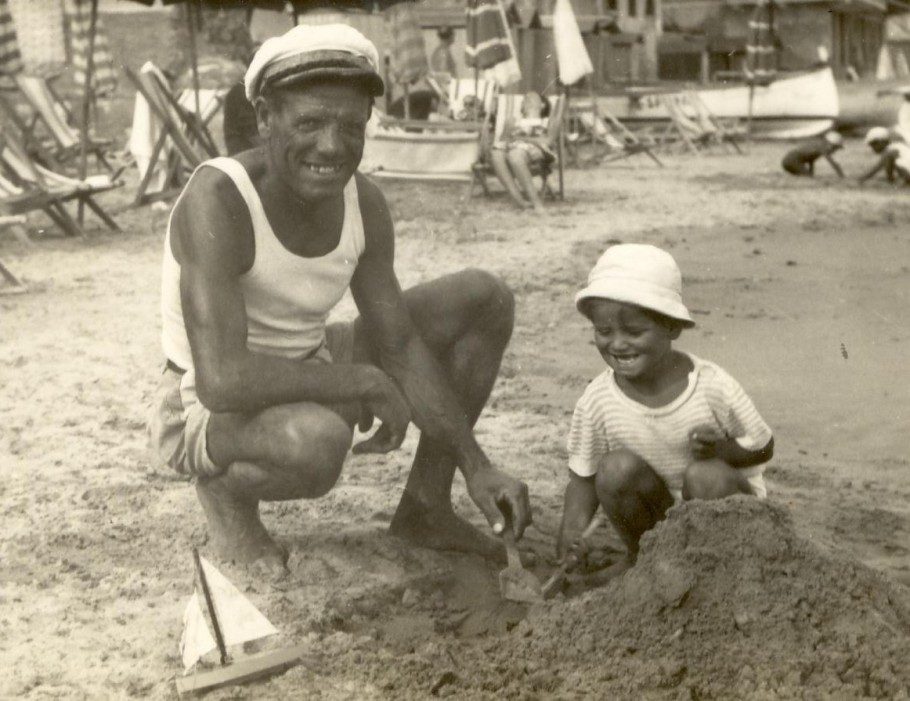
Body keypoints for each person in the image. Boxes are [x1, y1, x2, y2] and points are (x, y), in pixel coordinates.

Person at [148, 24, 531, 574]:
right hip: (204, 403)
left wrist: (477, 465)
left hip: (309, 359)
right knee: (317, 442)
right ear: (265, 120)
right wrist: (365, 382)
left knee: (483, 298)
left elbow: (398, 342)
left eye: (351, 126)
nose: (331, 146)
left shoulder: (364, 203)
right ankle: (226, 499)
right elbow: (222, 378)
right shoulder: (218, 198)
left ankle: (426, 504)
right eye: (308, 122)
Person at [556, 244, 774, 562]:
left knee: (704, 476)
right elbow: (584, 479)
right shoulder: (598, 400)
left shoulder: (711, 387)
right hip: (658, 517)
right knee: (615, 469)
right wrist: (572, 532)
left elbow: (764, 446)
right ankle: (644, 562)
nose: (617, 343)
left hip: (727, 517)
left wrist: (720, 452)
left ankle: (723, 570)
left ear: (671, 327)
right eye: (603, 330)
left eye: (633, 330)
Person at [488, 91, 556, 213]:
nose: (527, 99)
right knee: (496, 154)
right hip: (513, 147)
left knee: (515, 155)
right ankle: (519, 200)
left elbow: (549, 141)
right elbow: (503, 140)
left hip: (534, 149)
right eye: (525, 99)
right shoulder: (515, 121)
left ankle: (537, 204)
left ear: (542, 105)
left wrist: (522, 139)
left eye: (532, 98)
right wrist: (508, 128)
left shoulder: (546, 121)